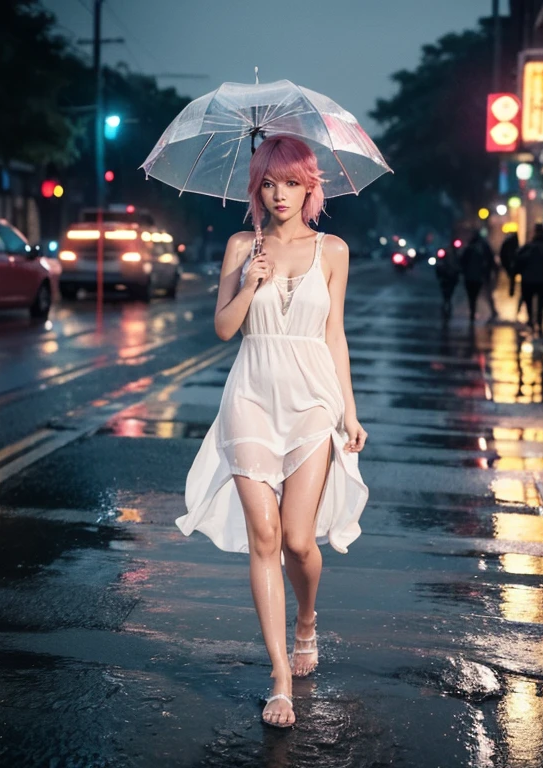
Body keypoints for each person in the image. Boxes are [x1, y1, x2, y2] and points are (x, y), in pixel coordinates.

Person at [175, 135, 369, 729]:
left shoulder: (333, 250)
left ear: (311, 186)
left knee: (297, 540)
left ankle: (306, 617)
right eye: (268, 182)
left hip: (313, 399)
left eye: (290, 182)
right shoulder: (241, 246)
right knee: (264, 535)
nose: (279, 193)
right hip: (252, 397)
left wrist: (350, 411)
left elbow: (333, 333)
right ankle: (280, 679)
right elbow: (223, 329)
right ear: (255, 188)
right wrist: (251, 282)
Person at [515, 223, 543, 337]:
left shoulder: (529, 245)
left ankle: (531, 321)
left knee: (529, 302)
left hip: (528, 279)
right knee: (541, 304)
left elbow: (518, 259)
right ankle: (539, 322)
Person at [460, 230, 498, 324]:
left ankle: (473, 312)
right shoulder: (484, 247)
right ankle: (493, 311)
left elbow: (462, 261)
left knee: (472, 296)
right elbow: (491, 260)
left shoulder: (469, 248)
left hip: (470, 276)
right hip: (482, 275)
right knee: (486, 294)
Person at [435, 245, 461, 317]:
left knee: (448, 292)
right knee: (447, 292)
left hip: (450, 277)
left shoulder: (456, 256)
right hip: (447, 277)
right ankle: (447, 304)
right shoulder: (454, 256)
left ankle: (446, 304)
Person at [499, 232, 519, 297]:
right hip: (511, 263)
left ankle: (511, 291)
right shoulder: (514, 243)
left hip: (509, 263)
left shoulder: (507, 243)